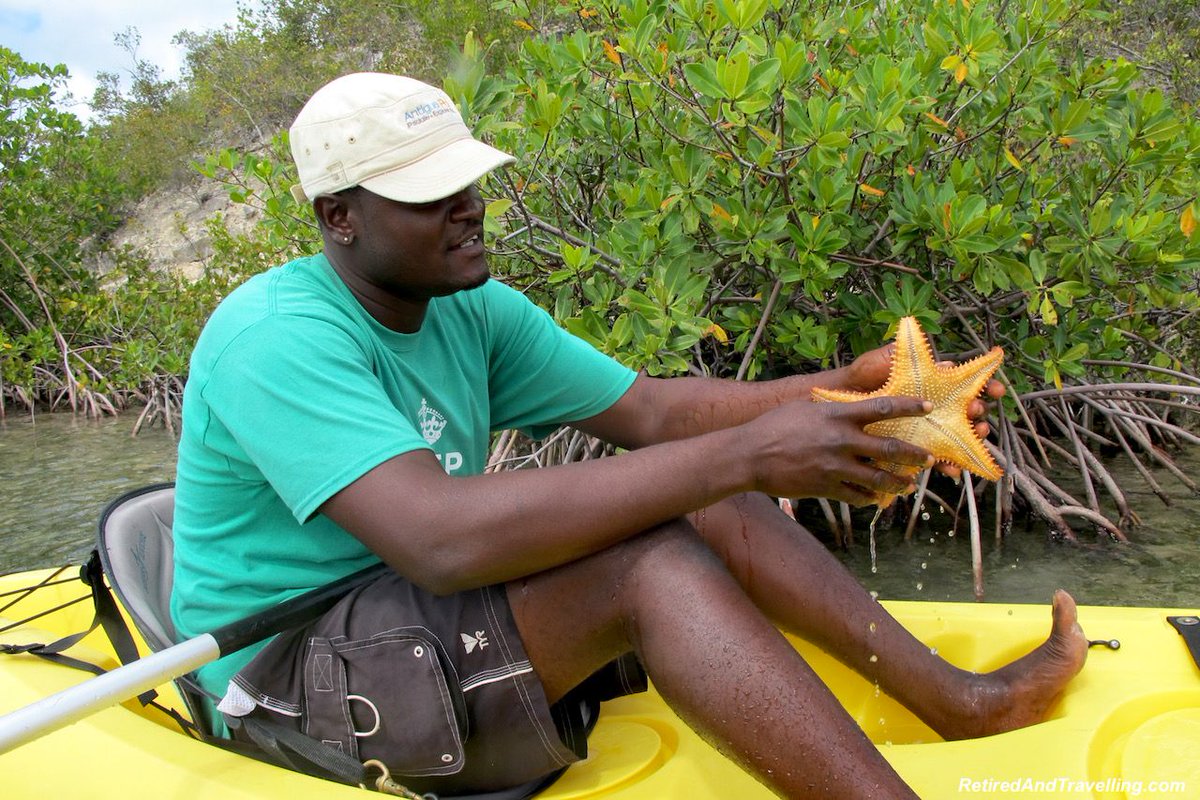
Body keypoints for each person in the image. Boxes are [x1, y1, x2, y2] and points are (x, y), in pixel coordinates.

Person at [170, 72, 1088, 799]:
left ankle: (963, 704)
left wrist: (841, 390)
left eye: (467, 179)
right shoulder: (275, 338)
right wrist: (757, 450)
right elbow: (440, 540)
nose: (468, 206)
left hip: (407, 615)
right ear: (338, 218)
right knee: (651, 558)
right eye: (428, 193)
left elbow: (653, 411)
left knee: (715, 495)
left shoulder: (470, 308)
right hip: (292, 679)